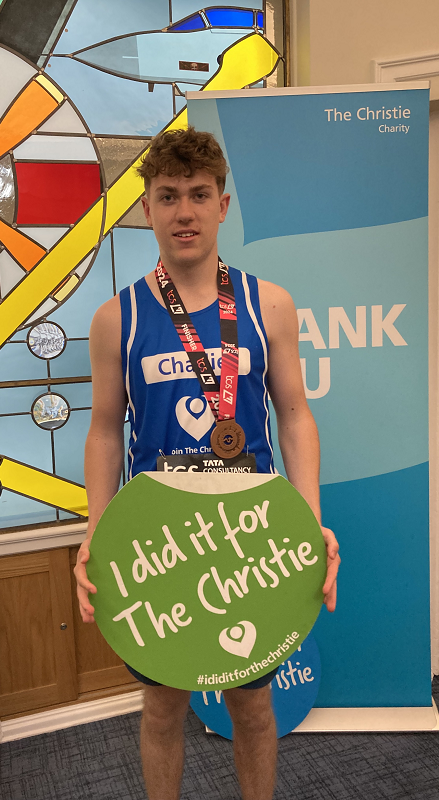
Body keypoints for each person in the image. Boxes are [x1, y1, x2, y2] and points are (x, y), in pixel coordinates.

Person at [75, 126, 340, 800]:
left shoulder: (268, 304)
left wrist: (308, 521)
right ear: (147, 209)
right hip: (158, 540)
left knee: (251, 706)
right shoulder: (116, 319)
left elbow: (295, 414)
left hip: (249, 533)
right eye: (168, 196)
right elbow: (104, 431)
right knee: (162, 708)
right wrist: (96, 533)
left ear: (222, 205)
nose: (183, 211)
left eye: (198, 194)